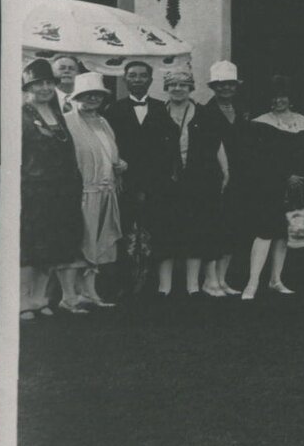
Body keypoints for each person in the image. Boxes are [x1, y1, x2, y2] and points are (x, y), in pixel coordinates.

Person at [236, 77, 304, 300]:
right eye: (273, 97)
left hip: (297, 187)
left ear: (290, 99)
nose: (278, 101)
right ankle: (252, 283)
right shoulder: (260, 124)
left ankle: (275, 280)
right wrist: (284, 176)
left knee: (284, 234)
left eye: (282, 96)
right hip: (269, 185)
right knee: (265, 232)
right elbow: (258, 158)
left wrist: (299, 175)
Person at [21, 59, 85, 318]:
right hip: (34, 191)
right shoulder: (22, 115)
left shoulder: (57, 114)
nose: (45, 88)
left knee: (52, 246)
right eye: (39, 84)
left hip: (61, 192)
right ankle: (23, 302)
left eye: (49, 82)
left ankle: (40, 299)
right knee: (30, 246)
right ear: (29, 87)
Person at [104, 60, 171, 300]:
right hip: (125, 183)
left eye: (143, 76)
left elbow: (169, 148)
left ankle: (152, 284)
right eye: (132, 75)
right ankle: (124, 283)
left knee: (154, 231)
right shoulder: (113, 110)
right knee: (125, 232)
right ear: (125, 79)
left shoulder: (163, 108)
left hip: (156, 183)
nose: (138, 79)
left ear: (151, 80)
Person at [149, 68, 210, 298]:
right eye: (172, 85)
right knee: (165, 232)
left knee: (194, 231)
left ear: (191, 88)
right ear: (166, 88)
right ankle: (164, 286)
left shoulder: (202, 114)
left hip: (195, 183)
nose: (177, 89)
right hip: (165, 185)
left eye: (183, 85)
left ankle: (192, 285)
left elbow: (211, 148)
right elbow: (149, 153)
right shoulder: (156, 114)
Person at [66, 73, 125, 308]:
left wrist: (120, 164)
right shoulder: (68, 121)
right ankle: (69, 295)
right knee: (80, 241)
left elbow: (109, 154)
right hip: (82, 191)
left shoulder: (103, 122)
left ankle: (90, 291)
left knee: (98, 241)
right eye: (86, 95)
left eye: (97, 95)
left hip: (106, 190)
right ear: (76, 97)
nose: (92, 99)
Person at [196, 61, 249, 297]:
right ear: (214, 87)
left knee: (232, 228)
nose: (226, 89)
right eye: (221, 85)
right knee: (213, 227)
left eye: (230, 84)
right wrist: (221, 173)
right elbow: (207, 149)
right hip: (215, 177)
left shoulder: (241, 111)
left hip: (239, 178)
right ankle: (210, 280)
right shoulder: (205, 112)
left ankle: (223, 278)